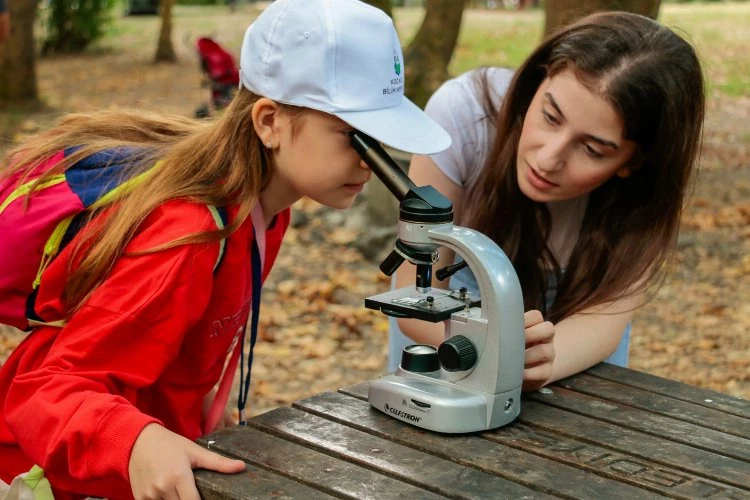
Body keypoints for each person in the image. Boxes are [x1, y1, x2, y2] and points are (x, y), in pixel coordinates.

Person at [0, 0, 450, 497]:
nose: (372, 162)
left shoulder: (267, 210)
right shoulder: (190, 234)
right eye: (354, 138)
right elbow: (44, 390)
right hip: (55, 473)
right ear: (269, 122)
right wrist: (136, 442)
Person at [388, 11, 705, 392]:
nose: (548, 158)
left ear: (634, 162)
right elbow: (414, 298)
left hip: (571, 348)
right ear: (539, 80)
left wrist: (538, 360)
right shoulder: (464, 115)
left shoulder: (644, 199)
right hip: (446, 333)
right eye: (550, 116)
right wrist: (494, 348)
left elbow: (600, 323)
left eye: (592, 149)